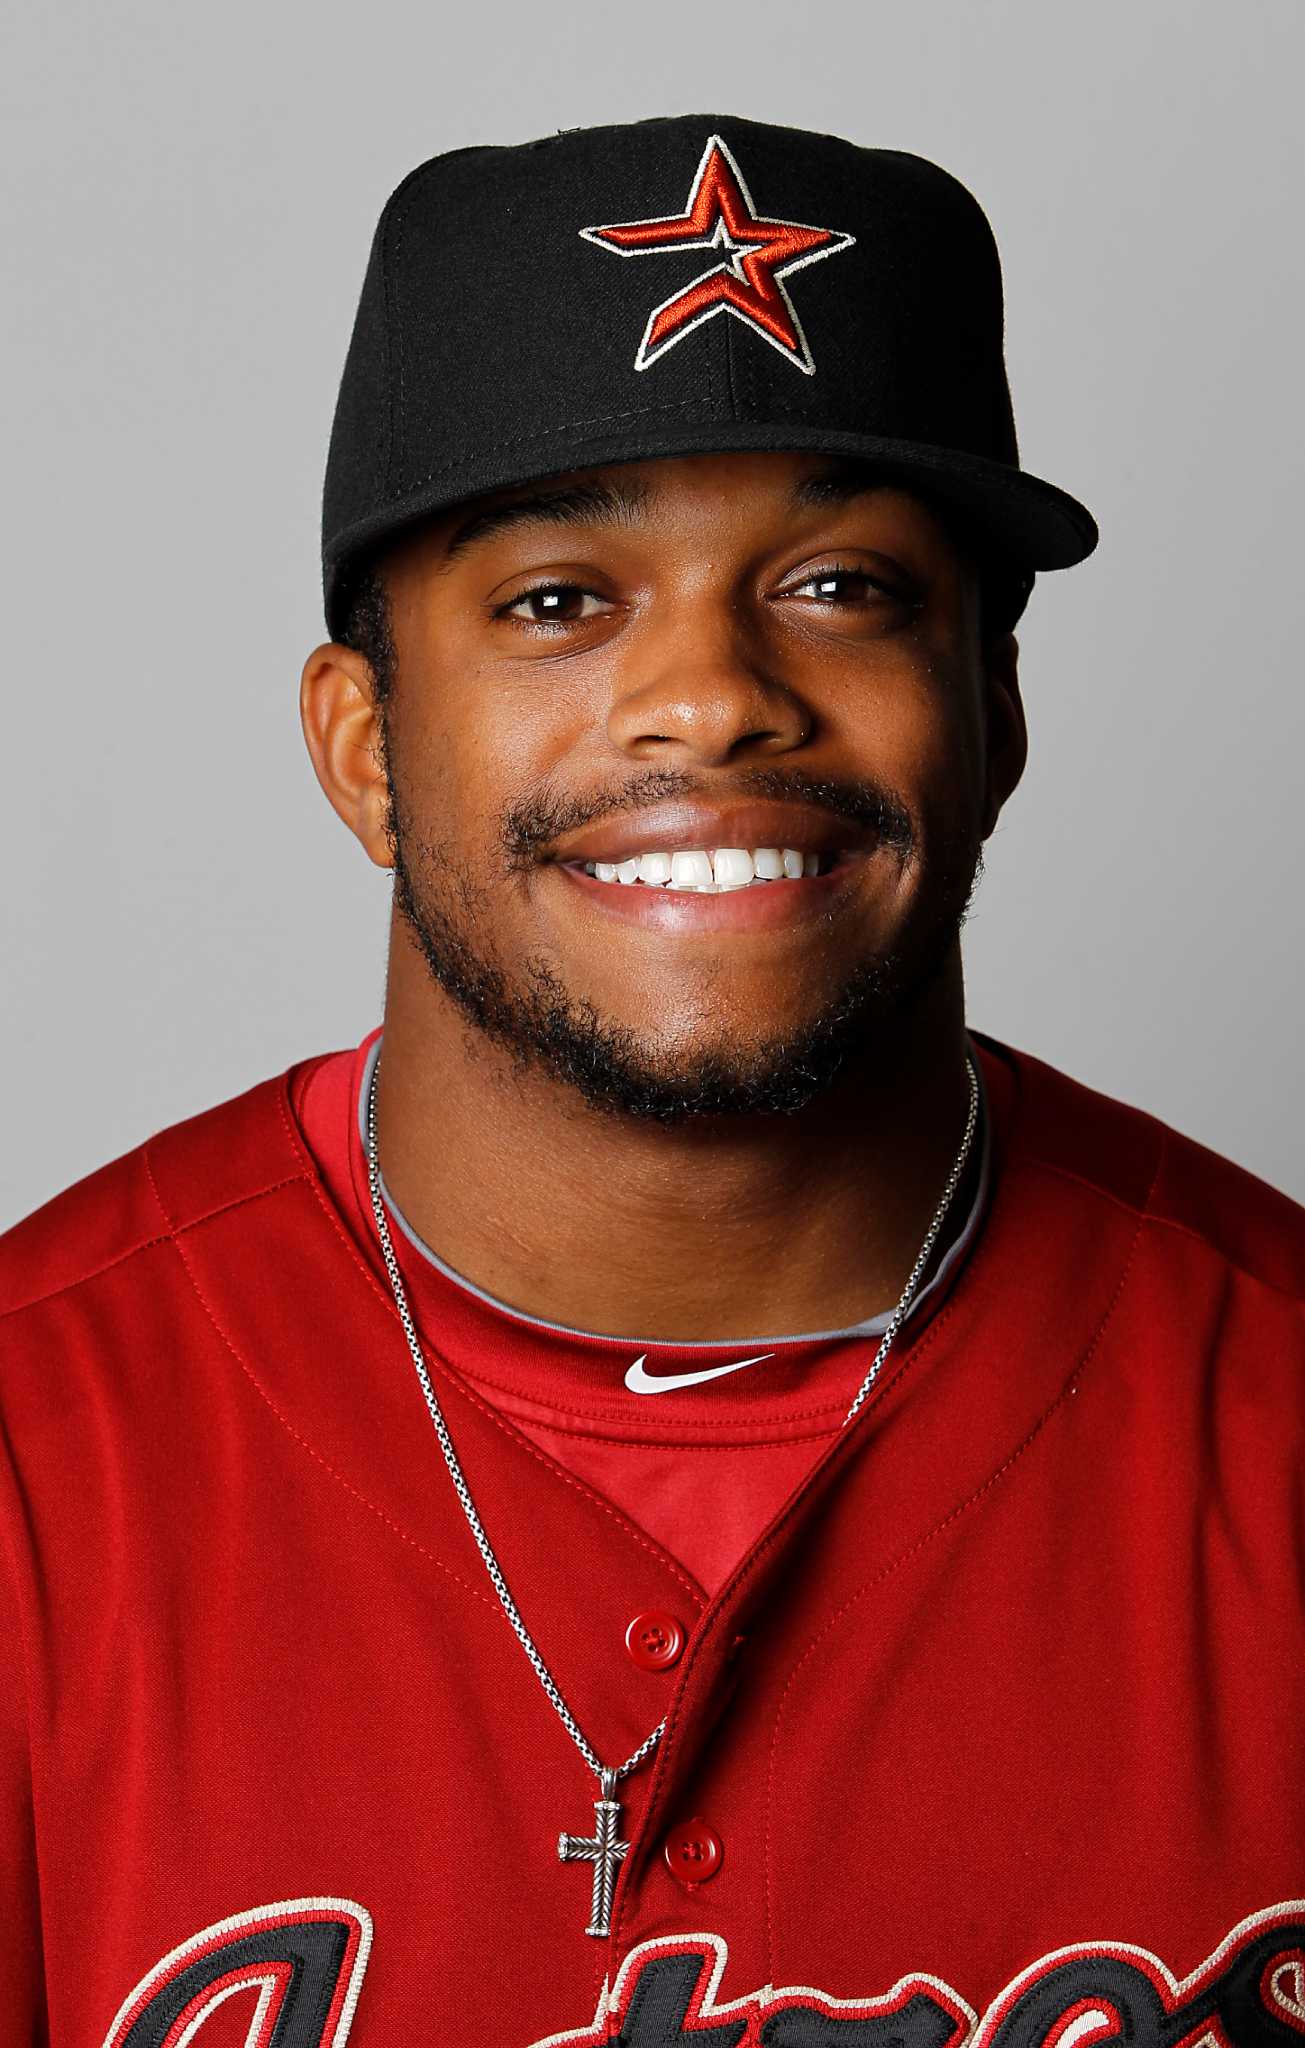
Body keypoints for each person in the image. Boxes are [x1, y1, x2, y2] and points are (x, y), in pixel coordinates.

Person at [2, 112, 1302, 2048]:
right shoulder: (39, 1434)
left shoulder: (1269, 1390)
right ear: (362, 746)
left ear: (993, 715)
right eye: (553, 599)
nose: (709, 695)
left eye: (843, 586)